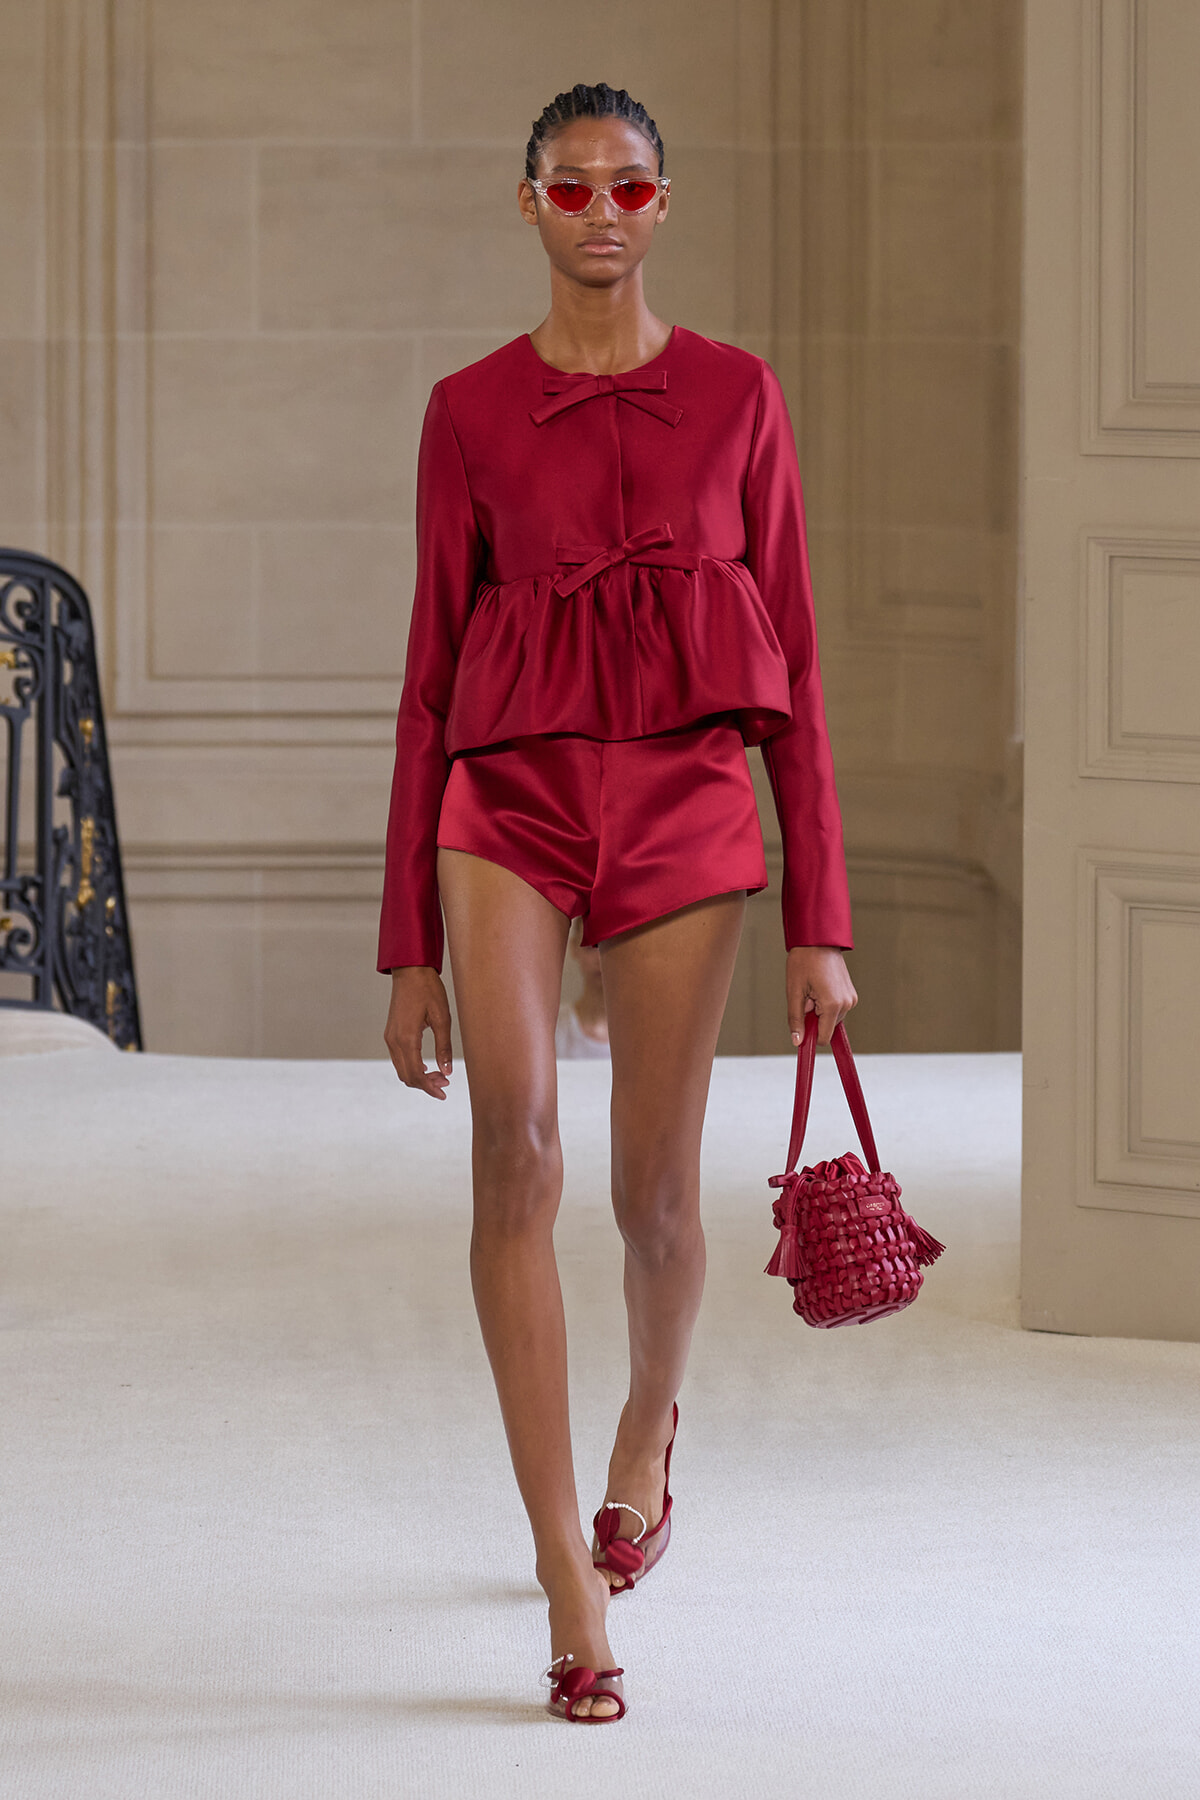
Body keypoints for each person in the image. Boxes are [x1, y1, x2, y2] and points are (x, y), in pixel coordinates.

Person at [380, 81, 857, 1724]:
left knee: (658, 1200)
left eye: (632, 189)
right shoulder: (466, 412)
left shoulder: (738, 399)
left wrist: (825, 923)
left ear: (667, 206)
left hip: (684, 805)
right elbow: (429, 678)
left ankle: (650, 1429)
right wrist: (402, 948)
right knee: (514, 1148)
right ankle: (564, 1576)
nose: (602, 211)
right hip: (503, 801)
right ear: (528, 205)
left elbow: (794, 657)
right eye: (571, 186)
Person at [555, 919, 611, 1059]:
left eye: (609, 946)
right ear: (574, 948)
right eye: (591, 947)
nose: (599, 959)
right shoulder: (552, 1029)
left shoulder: (643, 1032)